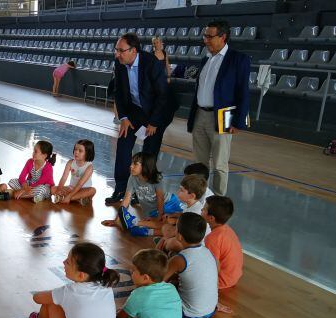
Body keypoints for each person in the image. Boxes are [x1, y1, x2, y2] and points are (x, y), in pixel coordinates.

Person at [188, 20, 251, 195]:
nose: (205, 40)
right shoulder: (205, 59)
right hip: (200, 114)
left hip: (222, 117)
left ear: (223, 37)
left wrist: (238, 121)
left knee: (219, 164)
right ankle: (198, 199)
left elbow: (243, 92)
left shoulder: (238, 59)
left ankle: (216, 202)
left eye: (209, 36)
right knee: (199, 164)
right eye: (204, 36)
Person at [106, 32, 169, 206]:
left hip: (155, 112)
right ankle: (120, 188)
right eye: (116, 50)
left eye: (121, 50)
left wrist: (154, 122)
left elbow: (163, 95)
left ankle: (143, 192)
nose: (117, 54)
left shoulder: (151, 63)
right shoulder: (119, 64)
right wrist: (124, 117)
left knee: (149, 155)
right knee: (123, 146)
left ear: (133, 50)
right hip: (133, 112)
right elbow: (119, 93)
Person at [116, 249, 181, 318]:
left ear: (145, 277)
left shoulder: (139, 294)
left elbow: (122, 316)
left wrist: (121, 315)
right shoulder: (171, 288)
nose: (131, 272)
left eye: (134, 271)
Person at [101, 152, 182, 236]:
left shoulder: (157, 178)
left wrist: (159, 215)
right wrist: (117, 219)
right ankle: (142, 228)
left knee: (172, 222)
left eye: (135, 164)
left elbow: (160, 198)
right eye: (132, 163)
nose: (131, 166)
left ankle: (135, 222)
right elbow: (126, 199)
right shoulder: (132, 178)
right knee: (167, 225)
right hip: (152, 211)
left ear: (145, 166)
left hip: (168, 203)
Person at [163, 213, 220, 318]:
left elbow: (160, 281)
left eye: (176, 228)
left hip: (188, 313)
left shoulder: (179, 259)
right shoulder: (208, 252)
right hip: (211, 310)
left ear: (179, 236)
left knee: (160, 291)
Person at [156, 174, 210, 253]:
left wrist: (165, 239)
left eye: (181, 190)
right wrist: (173, 215)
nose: (178, 192)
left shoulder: (195, 212)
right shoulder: (191, 205)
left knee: (170, 242)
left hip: (196, 246)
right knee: (166, 228)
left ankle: (168, 252)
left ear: (191, 196)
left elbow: (186, 235)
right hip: (188, 238)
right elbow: (183, 213)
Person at [202, 196, 243, 290]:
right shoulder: (227, 229)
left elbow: (213, 267)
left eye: (204, 209)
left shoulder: (212, 238)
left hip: (222, 281)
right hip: (234, 277)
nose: (201, 209)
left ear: (211, 218)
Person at [51, 139, 97, 205]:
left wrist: (69, 196)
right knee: (53, 189)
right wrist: (59, 190)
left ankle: (69, 197)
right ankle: (78, 199)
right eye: (75, 149)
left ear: (87, 153)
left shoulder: (89, 167)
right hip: (71, 188)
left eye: (80, 151)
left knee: (92, 190)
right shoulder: (70, 163)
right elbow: (64, 178)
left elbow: (80, 184)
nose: (76, 152)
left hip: (83, 189)